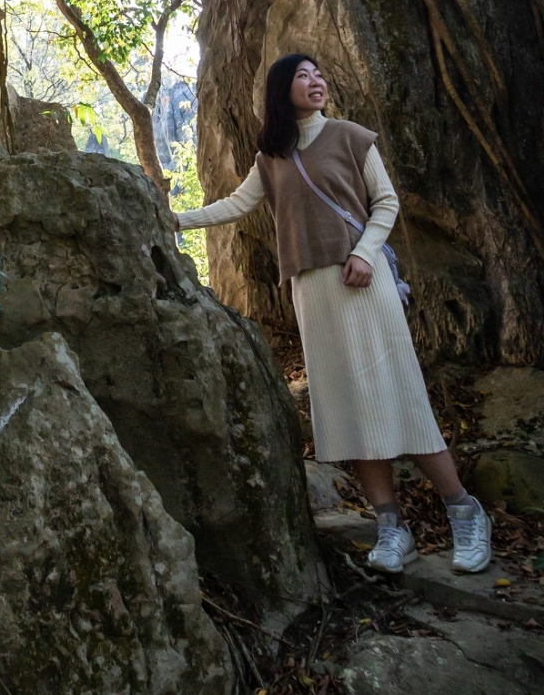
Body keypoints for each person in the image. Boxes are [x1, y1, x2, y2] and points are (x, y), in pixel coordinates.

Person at [171, 53, 491, 575]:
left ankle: (465, 511)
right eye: (303, 75)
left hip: (362, 278)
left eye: (319, 73)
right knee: (350, 405)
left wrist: (365, 253)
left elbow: (385, 203)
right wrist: (175, 220)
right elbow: (235, 204)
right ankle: (391, 527)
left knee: (399, 392)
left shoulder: (349, 136)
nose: (316, 81)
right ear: (282, 89)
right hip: (312, 288)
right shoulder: (270, 156)